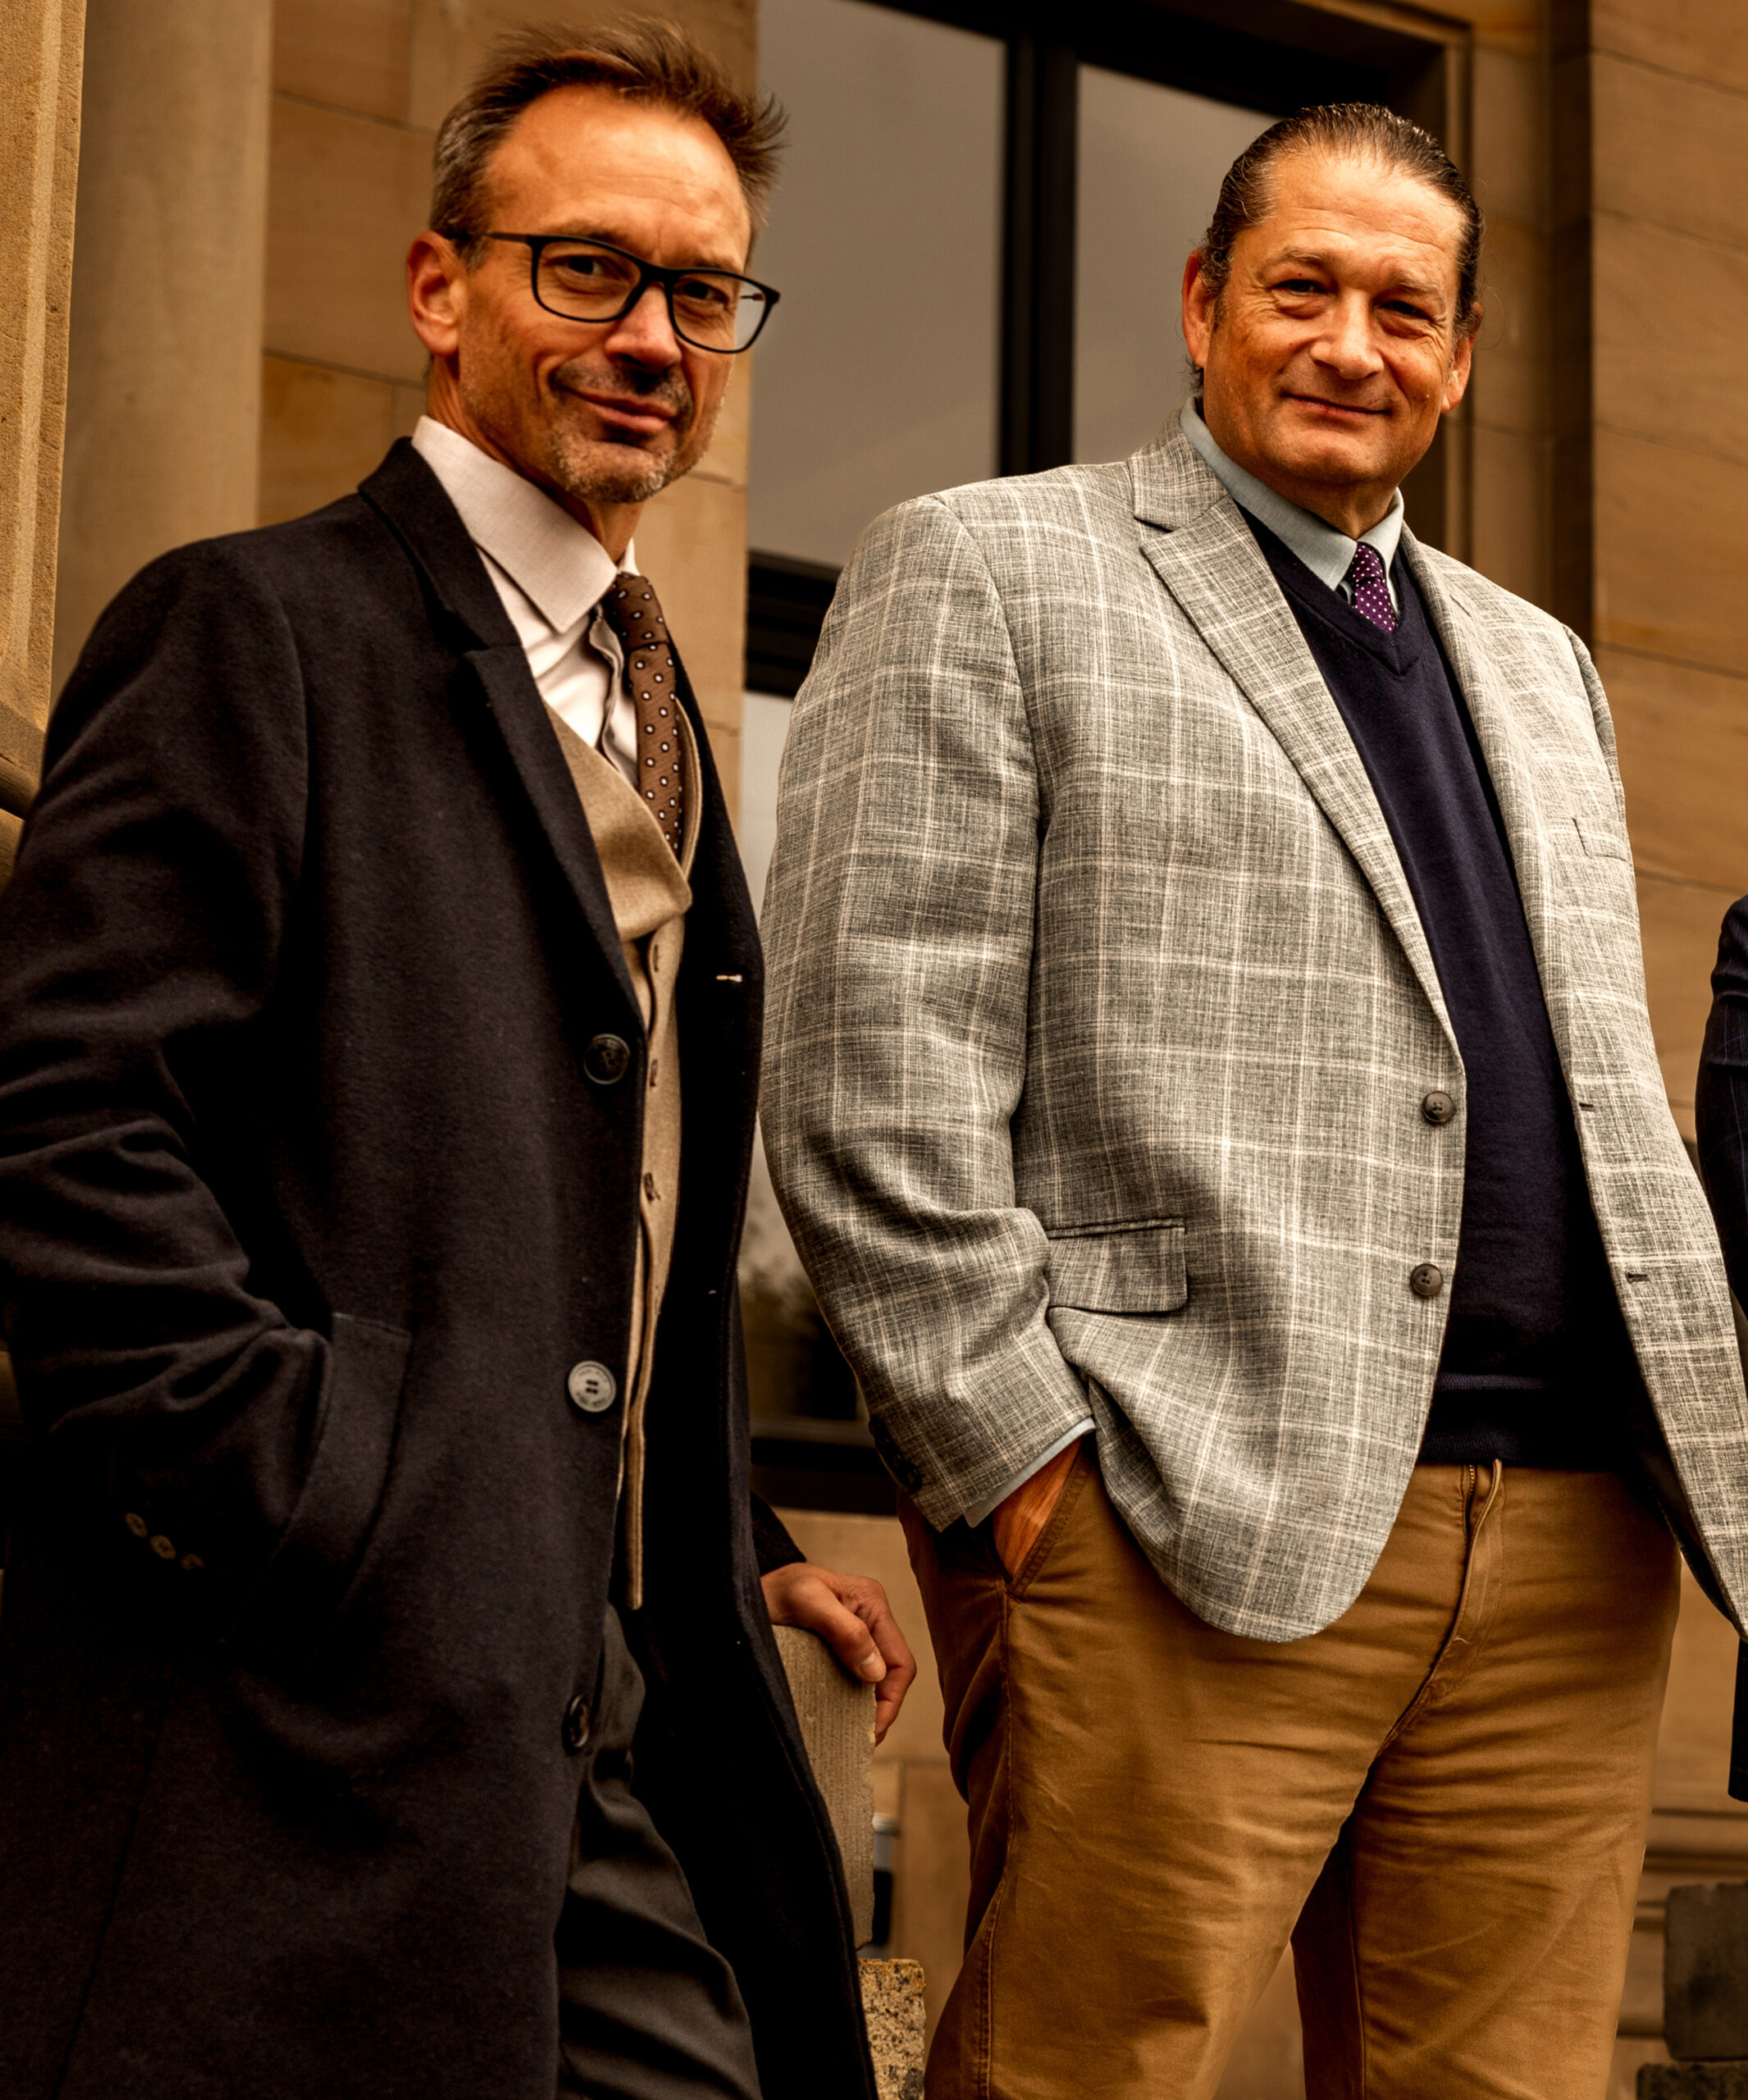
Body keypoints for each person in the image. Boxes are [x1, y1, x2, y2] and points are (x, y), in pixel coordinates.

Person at [761, 103, 1748, 2100]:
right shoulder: (987, 565)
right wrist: (1025, 1467)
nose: (1349, 341)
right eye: (1302, 286)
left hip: (1566, 1532)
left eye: (1406, 306)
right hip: (1176, 1506)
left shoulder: (1540, 661)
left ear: (1460, 360)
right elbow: (870, 1070)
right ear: (1205, 302)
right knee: (1085, 2072)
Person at [0, 24, 913, 2100]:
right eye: (585, 270)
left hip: (596, 1693)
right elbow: (67, 1133)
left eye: (700, 290)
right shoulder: (252, 629)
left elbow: (624, 1185)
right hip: (308, 1692)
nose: (654, 336)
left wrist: (715, 1523)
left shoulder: (653, 688)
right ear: (442, 289)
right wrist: (330, 1494)